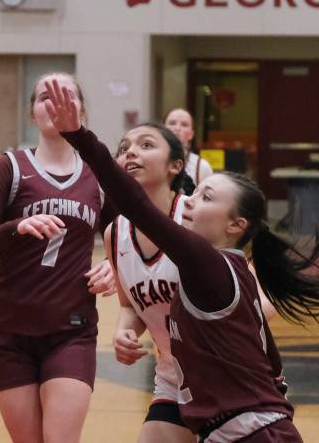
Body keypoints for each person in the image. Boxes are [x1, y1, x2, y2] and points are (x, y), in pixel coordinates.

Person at [46, 79, 319, 442]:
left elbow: (133, 204)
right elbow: (131, 295)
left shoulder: (204, 259)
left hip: (249, 425)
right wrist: (126, 330)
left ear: (235, 224)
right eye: (195, 194)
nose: (192, 201)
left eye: (206, 196)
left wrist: (78, 135)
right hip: (206, 403)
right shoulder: (195, 253)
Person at [0, 72, 116, 443]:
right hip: (9, 331)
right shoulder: (10, 168)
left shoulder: (98, 174)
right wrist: (17, 226)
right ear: (32, 113)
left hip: (71, 329)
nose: (55, 102)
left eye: (66, 95)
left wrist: (114, 267)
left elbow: (120, 240)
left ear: (83, 111)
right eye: (44, 96)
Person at [101, 121, 193, 442]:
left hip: (230, 376)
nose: (131, 153)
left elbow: (255, 298)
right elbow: (131, 305)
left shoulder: (195, 216)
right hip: (173, 378)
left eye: (146, 145)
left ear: (175, 166)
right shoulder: (115, 234)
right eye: (124, 148)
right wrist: (122, 330)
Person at [164, 108, 212, 195]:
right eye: (172, 123)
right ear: (163, 129)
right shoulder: (151, 159)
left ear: (191, 134)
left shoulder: (202, 166)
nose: (177, 128)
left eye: (184, 125)